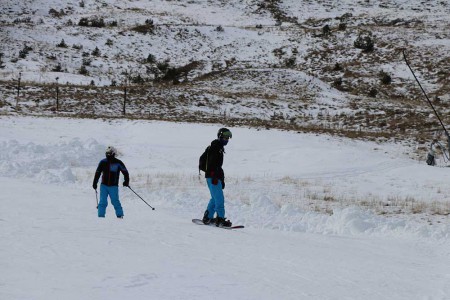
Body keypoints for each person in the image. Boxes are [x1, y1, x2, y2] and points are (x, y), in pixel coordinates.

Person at [201, 128, 233, 227]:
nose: (227, 139)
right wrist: (215, 177)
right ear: (220, 136)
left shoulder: (218, 148)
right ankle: (220, 219)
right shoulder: (215, 148)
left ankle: (208, 217)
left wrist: (221, 179)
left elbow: (218, 167)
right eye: (225, 137)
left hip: (213, 177)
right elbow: (212, 165)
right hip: (212, 177)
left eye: (228, 137)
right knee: (219, 199)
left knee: (215, 198)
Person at [93, 146, 130, 218]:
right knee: (102, 202)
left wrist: (126, 181)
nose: (108, 155)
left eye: (109, 153)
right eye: (107, 153)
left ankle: (120, 215)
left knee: (115, 201)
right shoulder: (102, 162)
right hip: (104, 186)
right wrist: (94, 183)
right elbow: (97, 173)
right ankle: (101, 217)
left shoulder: (118, 163)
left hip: (113, 186)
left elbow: (125, 172)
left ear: (113, 154)